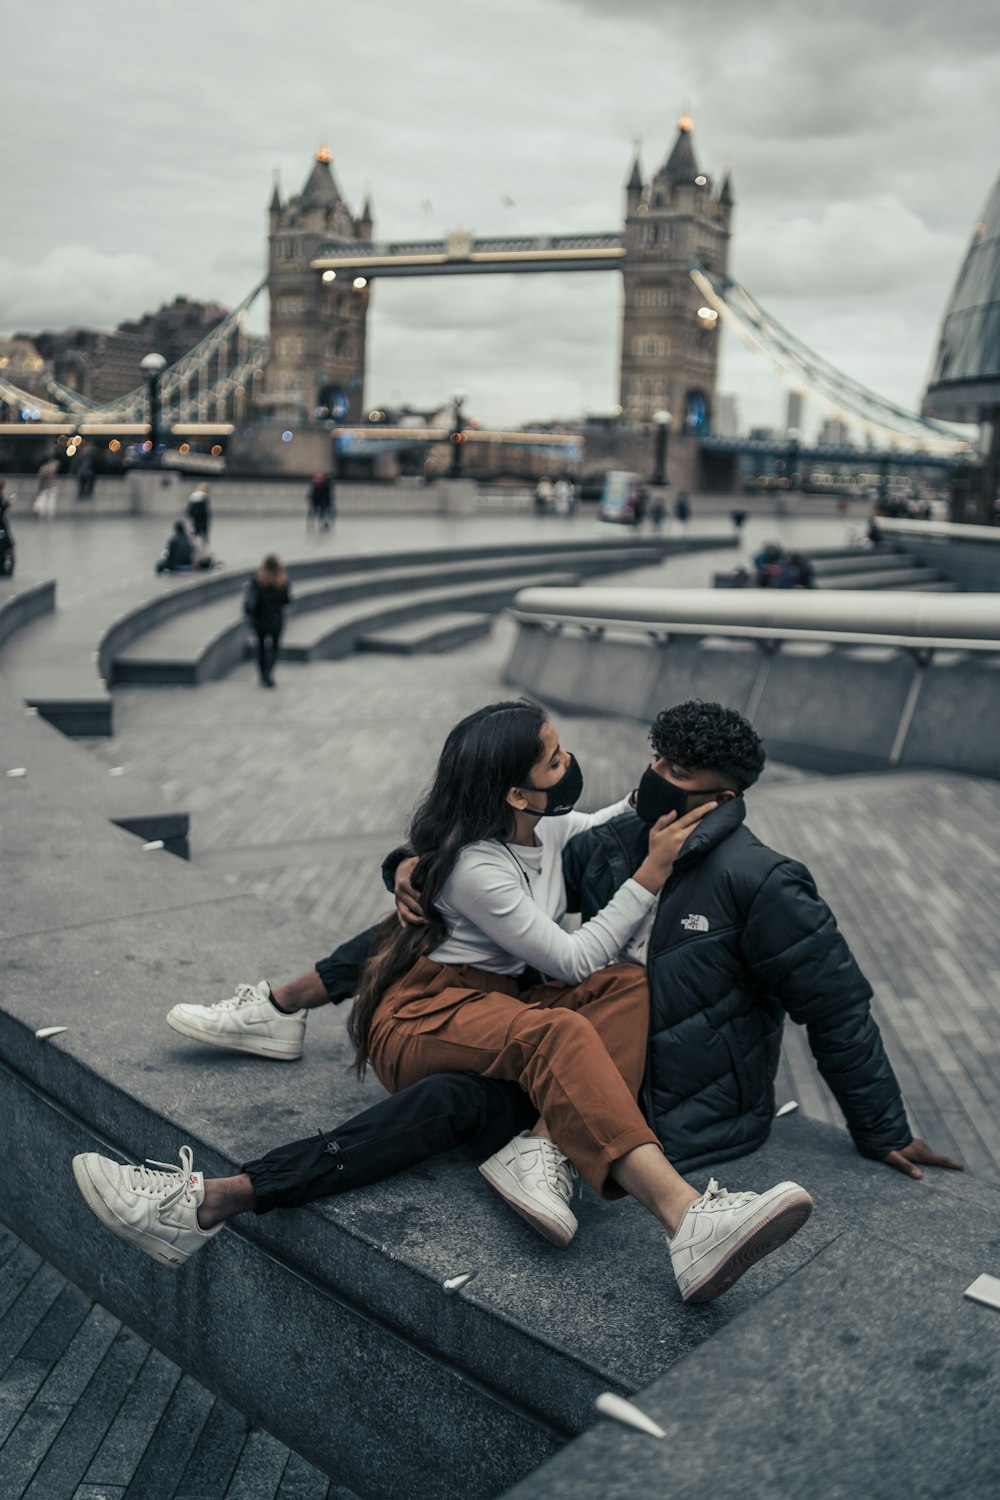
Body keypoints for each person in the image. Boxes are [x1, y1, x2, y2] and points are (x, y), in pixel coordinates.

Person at [73, 700, 814, 1303]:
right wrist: (650, 875)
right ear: (517, 791)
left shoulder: (546, 830)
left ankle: (539, 1148)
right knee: (556, 1029)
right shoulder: (476, 869)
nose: (569, 764)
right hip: (426, 1018)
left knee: (621, 987)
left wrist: (674, 797)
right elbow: (572, 955)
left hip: (490, 1015)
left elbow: (610, 818)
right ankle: (686, 1220)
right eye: (555, 758)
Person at [244, 553, 290, 688]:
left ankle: (262, 674)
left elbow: (251, 602)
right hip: (276, 620)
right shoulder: (282, 582)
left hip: (260, 620)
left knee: (261, 648)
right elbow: (287, 601)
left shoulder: (257, 581)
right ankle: (269, 673)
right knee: (274, 647)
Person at [0, 480, 15, 577]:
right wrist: (7, 503)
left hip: (3, 527)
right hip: (1, 529)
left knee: (9, 550)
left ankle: (8, 572)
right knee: (8, 550)